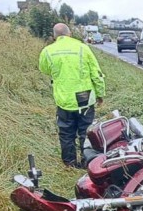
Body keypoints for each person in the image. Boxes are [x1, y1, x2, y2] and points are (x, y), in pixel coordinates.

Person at [39, 23, 105, 168]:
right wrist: (100, 94)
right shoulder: (83, 48)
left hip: (64, 99)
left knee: (66, 133)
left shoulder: (48, 51)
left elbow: (44, 69)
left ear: (55, 36)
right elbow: (97, 74)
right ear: (69, 34)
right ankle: (88, 162)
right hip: (85, 98)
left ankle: (69, 164)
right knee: (86, 132)